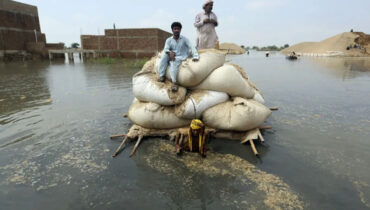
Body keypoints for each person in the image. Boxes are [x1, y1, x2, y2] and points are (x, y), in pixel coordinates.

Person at [157, 22, 199, 92]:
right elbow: (166, 49)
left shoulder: (184, 39)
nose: (176, 30)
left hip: (181, 56)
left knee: (173, 62)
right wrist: (169, 52)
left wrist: (195, 56)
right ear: (172, 30)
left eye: (178, 29)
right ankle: (162, 75)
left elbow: (191, 46)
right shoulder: (169, 40)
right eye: (175, 29)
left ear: (180, 30)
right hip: (172, 54)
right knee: (164, 57)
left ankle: (174, 83)